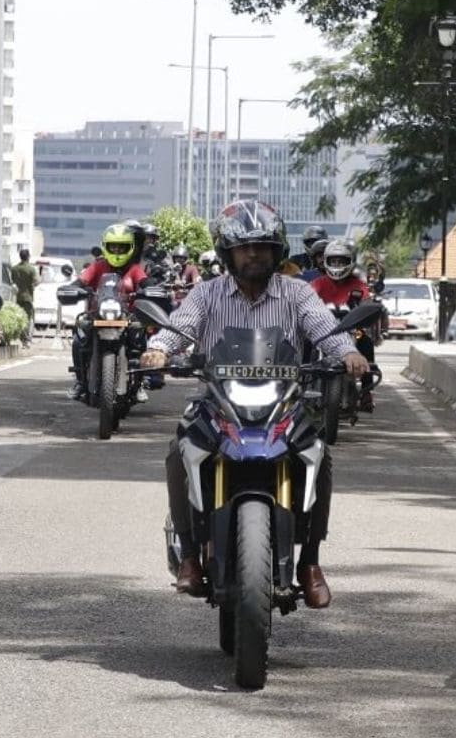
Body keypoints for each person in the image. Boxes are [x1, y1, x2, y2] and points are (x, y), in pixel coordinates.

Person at [140, 199, 369, 609]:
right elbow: (181, 327)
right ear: (228, 253)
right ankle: (190, 556)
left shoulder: (297, 293)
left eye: (262, 247)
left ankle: (310, 562)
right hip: (218, 402)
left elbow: (326, 331)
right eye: (244, 248)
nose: (253, 254)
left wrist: (347, 353)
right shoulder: (206, 294)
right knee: (179, 451)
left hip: (285, 403)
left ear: (276, 251)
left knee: (320, 454)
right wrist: (159, 349)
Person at [73, 223, 150, 401]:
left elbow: (146, 282)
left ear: (129, 248)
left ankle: (139, 383)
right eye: (113, 246)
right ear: (106, 247)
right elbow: (81, 281)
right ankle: (79, 381)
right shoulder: (98, 266)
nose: (116, 251)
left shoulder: (134, 269)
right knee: (78, 341)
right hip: (97, 315)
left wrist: (152, 288)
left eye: (121, 247)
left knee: (141, 339)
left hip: (127, 317)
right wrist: (72, 288)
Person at [310, 238, 378, 412]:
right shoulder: (318, 283)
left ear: (350, 262)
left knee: (366, 343)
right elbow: (305, 301)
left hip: (352, 330)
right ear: (326, 262)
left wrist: (367, 308)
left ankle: (366, 393)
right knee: (304, 344)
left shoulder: (358, 285)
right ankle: (300, 383)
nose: (338, 264)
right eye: (334, 261)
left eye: (342, 261)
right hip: (323, 331)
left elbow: (367, 302)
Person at [10, 248, 38, 347]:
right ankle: (26, 340)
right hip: (28, 297)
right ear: (28, 256)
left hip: (18, 297)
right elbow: (36, 281)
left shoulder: (14, 269)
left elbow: (12, 282)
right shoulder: (31, 269)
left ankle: (22, 339)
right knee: (28, 319)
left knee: (20, 318)